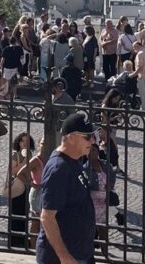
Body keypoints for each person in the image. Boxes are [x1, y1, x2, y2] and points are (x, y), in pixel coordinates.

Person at [37, 113, 97, 264]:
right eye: (87, 137)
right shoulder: (59, 169)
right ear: (71, 137)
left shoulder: (74, 160)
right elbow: (47, 217)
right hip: (62, 258)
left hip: (79, 253)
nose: (93, 141)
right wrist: (64, 257)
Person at [8, 132, 35, 249]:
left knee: (24, 213)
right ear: (18, 143)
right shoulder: (16, 155)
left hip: (27, 187)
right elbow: (12, 171)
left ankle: (22, 238)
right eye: (23, 141)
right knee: (16, 213)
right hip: (18, 187)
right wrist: (24, 163)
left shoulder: (30, 154)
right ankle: (14, 239)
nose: (25, 143)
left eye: (28, 141)